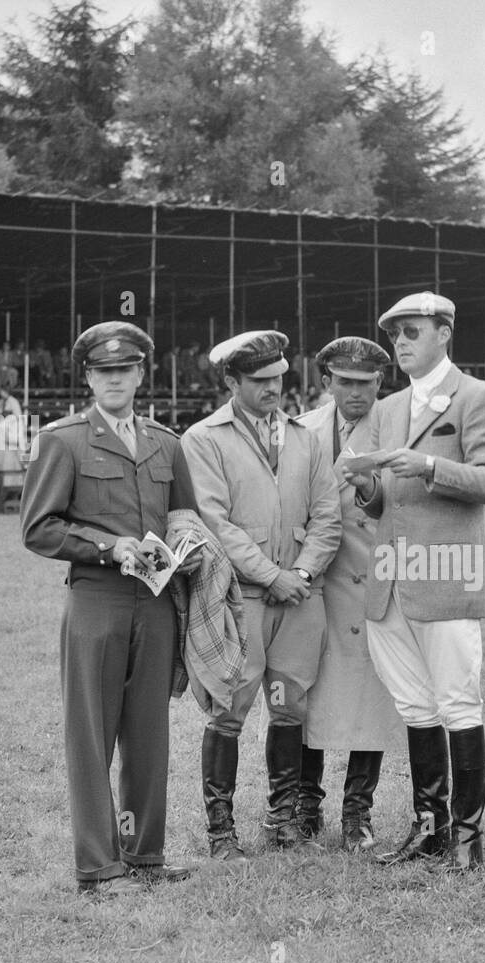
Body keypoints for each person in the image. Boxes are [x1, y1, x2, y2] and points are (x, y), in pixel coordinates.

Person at [20, 321, 198, 898]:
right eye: (104, 371)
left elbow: (186, 518)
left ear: (142, 374)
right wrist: (106, 546)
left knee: (148, 733)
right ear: (89, 378)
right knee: (91, 734)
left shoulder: (167, 443)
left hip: (155, 602)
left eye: (125, 370)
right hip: (95, 601)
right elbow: (38, 528)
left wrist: (191, 551)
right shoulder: (64, 439)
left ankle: (145, 854)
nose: (115, 379)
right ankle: (99, 866)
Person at [343, 292, 485, 872]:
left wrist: (432, 466)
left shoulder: (477, 397)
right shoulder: (386, 410)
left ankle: (468, 840)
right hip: (391, 578)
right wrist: (364, 485)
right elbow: (382, 502)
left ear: (445, 332)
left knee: (459, 703)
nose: (402, 342)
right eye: (395, 335)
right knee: (416, 706)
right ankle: (431, 829)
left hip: (446, 578)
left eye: (413, 331)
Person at [180, 331, 342, 862]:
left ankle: (283, 821)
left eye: (278, 379)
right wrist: (274, 576)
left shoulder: (306, 438)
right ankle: (221, 832)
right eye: (260, 381)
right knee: (228, 710)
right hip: (241, 599)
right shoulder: (203, 439)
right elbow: (216, 524)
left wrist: (301, 571)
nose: (274, 388)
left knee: (290, 707)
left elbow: (327, 517)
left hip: (300, 596)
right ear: (232, 382)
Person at [295, 337, 403, 851]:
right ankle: (304, 805)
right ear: (327, 383)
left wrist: (367, 488)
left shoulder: (399, 425)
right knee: (306, 689)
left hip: (373, 578)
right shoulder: (304, 429)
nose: (355, 393)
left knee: (371, 694)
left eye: (365, 383)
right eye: (345, 383)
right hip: (316, 581)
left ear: (381, 383)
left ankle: (358, 812)